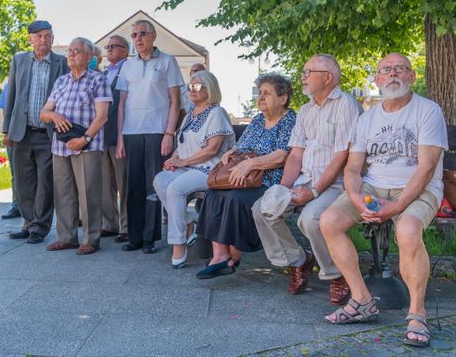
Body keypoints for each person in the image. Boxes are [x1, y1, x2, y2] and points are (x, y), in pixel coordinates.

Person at [319, 53, 447, 348]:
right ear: (377, 80)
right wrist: (356, 199)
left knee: (408, 230)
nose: (393, 74)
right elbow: (353, 169)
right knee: (329, 221)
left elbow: (427, 167)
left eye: (400, 69)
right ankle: (362, 300)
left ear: (412, 76)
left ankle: (417, 314)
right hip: (373, 187)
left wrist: (397, 207)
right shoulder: (367, 119)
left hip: (418, 188)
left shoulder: (428, 111)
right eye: (386, 70)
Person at [252, 54, 362, 305]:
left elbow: (341, 156)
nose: (303, 77)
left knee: (311, 219)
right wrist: (284, 188)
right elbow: (296, 154)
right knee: (263, 209)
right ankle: (298, 260)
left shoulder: (346, 105)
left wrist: (313, 192)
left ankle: (337, 274)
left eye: (308, 72)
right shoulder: (305, 110)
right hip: (305, 179)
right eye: (304, 72)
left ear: (328, 77)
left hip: (336, 183)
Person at [195, 72, 296, 279]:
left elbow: (282, 155)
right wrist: (230, 154)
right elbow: (241, 145)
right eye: (260, 93)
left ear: (283, 98)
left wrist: (250, 164)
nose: (261, 97)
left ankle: (233, 256)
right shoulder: (258, 120)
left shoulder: (290, 120)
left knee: (235, 198)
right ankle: (220, 255)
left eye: (267, 93)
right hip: (244, 175)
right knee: (213, 194)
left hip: (268, 180)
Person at [153, 70, 235, 268]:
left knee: (175, 189)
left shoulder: (217, 113)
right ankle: (188, 221)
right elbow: (182, 145)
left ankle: (179, 243)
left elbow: (212, 149)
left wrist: (183, 162)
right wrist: (174, 159)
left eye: (197, 86)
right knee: (161, 180)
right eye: (190, 86)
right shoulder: (190, 115)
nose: (192, 89)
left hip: (209, 169)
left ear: (210, 89)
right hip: (188, 167)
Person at [115, 19, 183, 254]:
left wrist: (169, 133)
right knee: (133, 186)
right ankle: (134, 237)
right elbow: (121, 104)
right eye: (134, 35)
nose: (138, 39)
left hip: (157, 131)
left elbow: (175, 101)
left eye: (142, 33)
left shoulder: (167, 61)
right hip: (131, 132)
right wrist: (120, 138)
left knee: (153, 185)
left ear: (153, 36)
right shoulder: (127, 66)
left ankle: (149, 238)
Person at [41, 37, 111, 255]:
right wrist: (54, 115)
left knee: (89, 193)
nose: (71, 54)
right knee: (63, 193)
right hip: (60, 146)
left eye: (77, 51)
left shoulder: (98, 80)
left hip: (87, 145)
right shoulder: (61, 81)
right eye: (69, 50)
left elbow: (102, 116)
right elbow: (44, 112)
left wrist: (85, 139)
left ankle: (91, 239)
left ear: (89, 57)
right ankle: (66, 238)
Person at [3, 20, 68, 244]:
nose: (43, 39)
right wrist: (6, 129)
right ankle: (28, 223)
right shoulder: (19, 60)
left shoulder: (62, 62)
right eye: (39, 35)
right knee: (23, 183)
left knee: (45, 183)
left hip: (48, 134)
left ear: (53, 38)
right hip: (22, 132)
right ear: (30, 39)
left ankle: (39, 228)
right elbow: (11, 95)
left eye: (48, 35)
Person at [100, 35, 129, 242]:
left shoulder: (129, 70)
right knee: (105, 184)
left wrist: (122, 136)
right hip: (102, 135)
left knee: (123, 184)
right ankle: (109, 224)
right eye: (107, 46)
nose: (109, 49)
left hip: (121, 135)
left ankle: (126, 227)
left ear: (125, 50)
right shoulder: (103, 73)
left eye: (114, 46)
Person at [0, 82, 20, 219]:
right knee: (15, 173)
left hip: (32, 134)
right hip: (13, 135)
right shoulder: (9, 86)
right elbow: (6, 111)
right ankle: (16, 205)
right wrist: (7, 132)